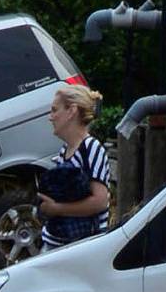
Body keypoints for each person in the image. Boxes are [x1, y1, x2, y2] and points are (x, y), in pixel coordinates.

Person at [37, 84, 112, 249]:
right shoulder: (66, 149)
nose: (51, 117)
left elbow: (100, 202)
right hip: (59, 243)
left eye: (55, 110)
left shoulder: (91, 148)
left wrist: (57, 209)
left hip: (81, 247)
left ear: (71, 111)